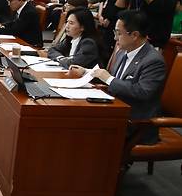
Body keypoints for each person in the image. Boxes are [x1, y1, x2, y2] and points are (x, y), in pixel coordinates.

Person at [69, 10, 166, 144]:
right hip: (114, 112)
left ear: (134, 35)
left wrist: (108, 79)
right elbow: (114, 82)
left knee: (82, 129)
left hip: (135, 123)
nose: (115, 38)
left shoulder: (153, 61)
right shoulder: (122, 52)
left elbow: (142, 92)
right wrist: (87, 72)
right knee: (74, 116)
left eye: (118, 33)